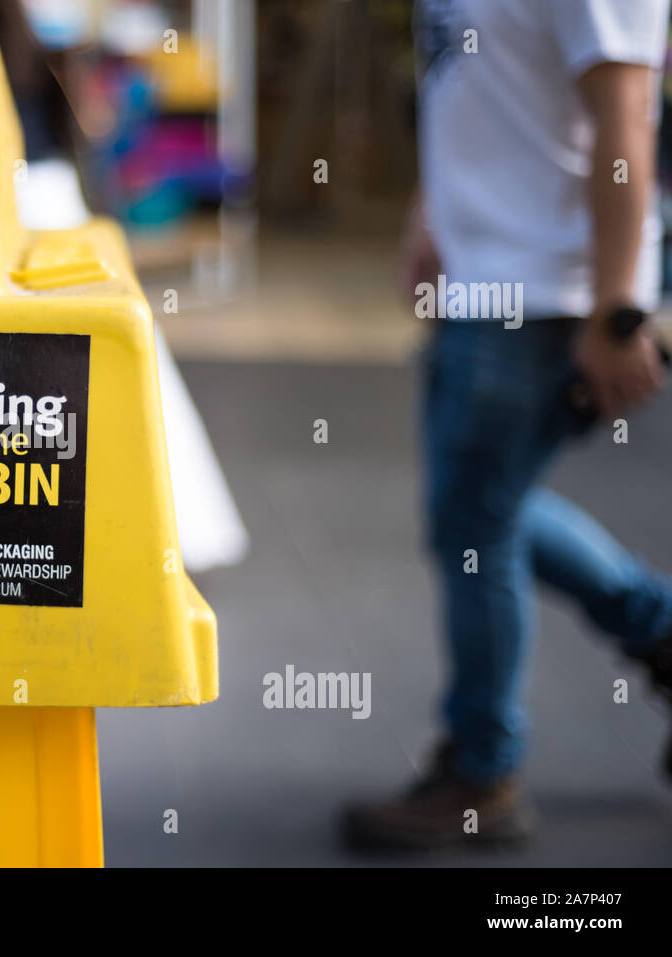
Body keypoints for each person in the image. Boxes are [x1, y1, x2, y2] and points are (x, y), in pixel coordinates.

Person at [343, 0, 672, 852]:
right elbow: (476, 85)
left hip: (544, 296)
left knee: (474, 524)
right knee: (484, 512)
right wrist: (433, 212)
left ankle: (484, 771)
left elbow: (624, 118)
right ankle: (660, 628)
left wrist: (617, 311)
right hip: (484, 275)